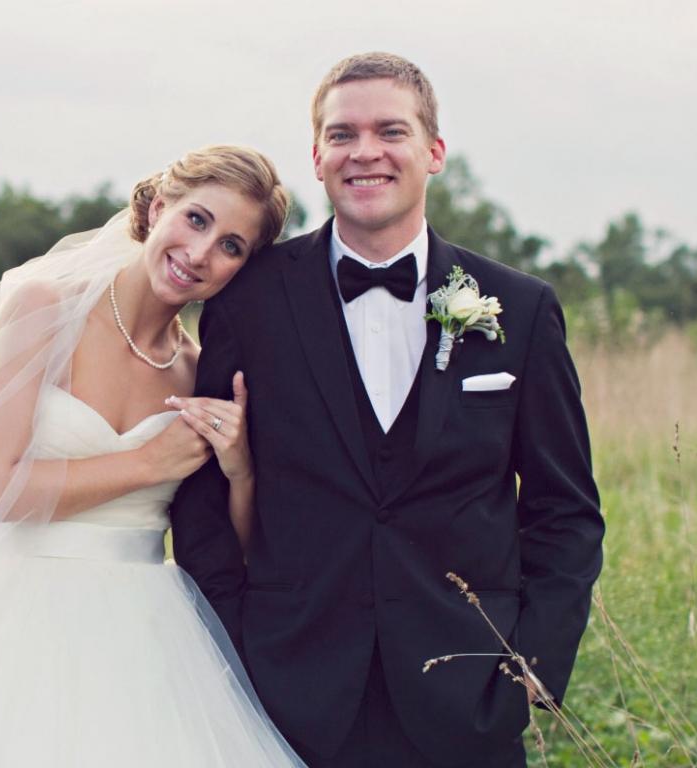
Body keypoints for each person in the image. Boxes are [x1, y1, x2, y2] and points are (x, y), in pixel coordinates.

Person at [0, 145, 307, 767]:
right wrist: (148, 463)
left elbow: (239, 549)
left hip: (145, 641)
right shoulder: (45, 308)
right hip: (8, 618)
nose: (201, 253)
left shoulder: (198, 372)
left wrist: (239, 469)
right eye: (196, 219)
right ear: (158, 208)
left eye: (231, 246)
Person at [171, 53, 605, 767]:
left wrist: (532, 669)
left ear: (434, 152)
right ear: (317, 157)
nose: (364, 151)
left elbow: (566, 510)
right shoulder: (246, 300)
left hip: (468, 700)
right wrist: (237, 645)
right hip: (287, 698)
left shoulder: (521, 309)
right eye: (342, 134)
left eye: (390, 131)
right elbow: (201, 495)